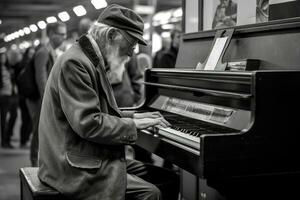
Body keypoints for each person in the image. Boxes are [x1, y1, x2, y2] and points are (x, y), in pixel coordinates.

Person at [38, 4, 179, 200]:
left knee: (169, 178)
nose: (132, 53)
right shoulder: (75, 63)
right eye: (131, 43)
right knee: (151, 193)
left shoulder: (92, 59)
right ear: (112, 35)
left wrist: (136, 116)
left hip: (87, 154)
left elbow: (103, 112)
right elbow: (89, 124)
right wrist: (134, 124)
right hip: (72, 165)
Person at [28, 21, 67, 166]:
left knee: (44, 131)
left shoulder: (50, 51)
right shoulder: (43, 52)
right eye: (61, 34)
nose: (64, 37)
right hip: (40, 99)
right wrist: (48, 100)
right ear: (51, 34)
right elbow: (41, 78)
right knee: (38, 131)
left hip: (44, 99)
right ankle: (33, 164)